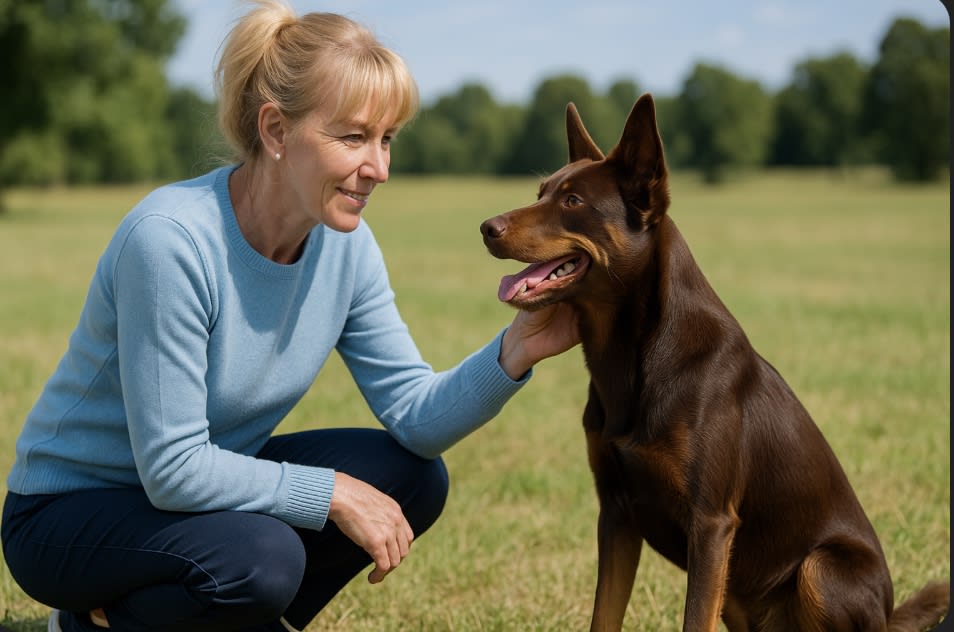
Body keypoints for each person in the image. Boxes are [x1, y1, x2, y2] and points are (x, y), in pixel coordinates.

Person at [0, 2, 579, 631]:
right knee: (263, 559)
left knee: (412, 477)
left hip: (192, 500)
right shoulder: (170, 241)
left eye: (387, 140)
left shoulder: (347, 247)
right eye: (354, 137)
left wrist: (515, 349)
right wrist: (329, 491)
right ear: (276, 131)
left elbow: (415, 414)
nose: (378, 167)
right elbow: (171, 470)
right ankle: (87, 622)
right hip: (68, 515)